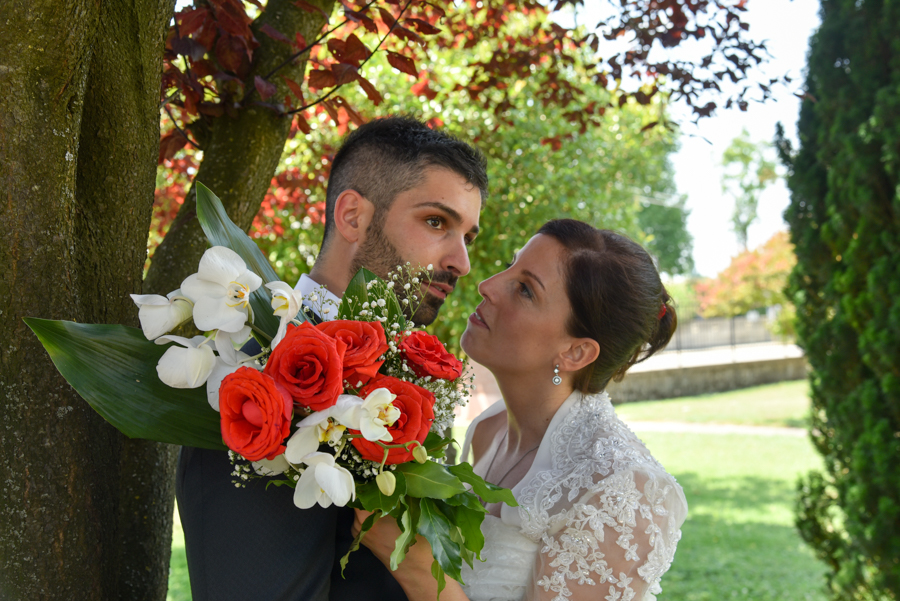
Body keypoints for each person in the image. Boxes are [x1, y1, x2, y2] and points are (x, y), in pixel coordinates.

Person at [175, 115, 488, 601]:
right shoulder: (251, 377)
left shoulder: (411, 378)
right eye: (436, 222)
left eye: (467, 236)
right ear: (352, 217)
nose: (461, 262)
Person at [354, 219, 688, 601]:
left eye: (526, 290)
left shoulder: (625, 491)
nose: (487, 285)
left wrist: (414, 567)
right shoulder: (488, 430)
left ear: (576, 352)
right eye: (511, 266)